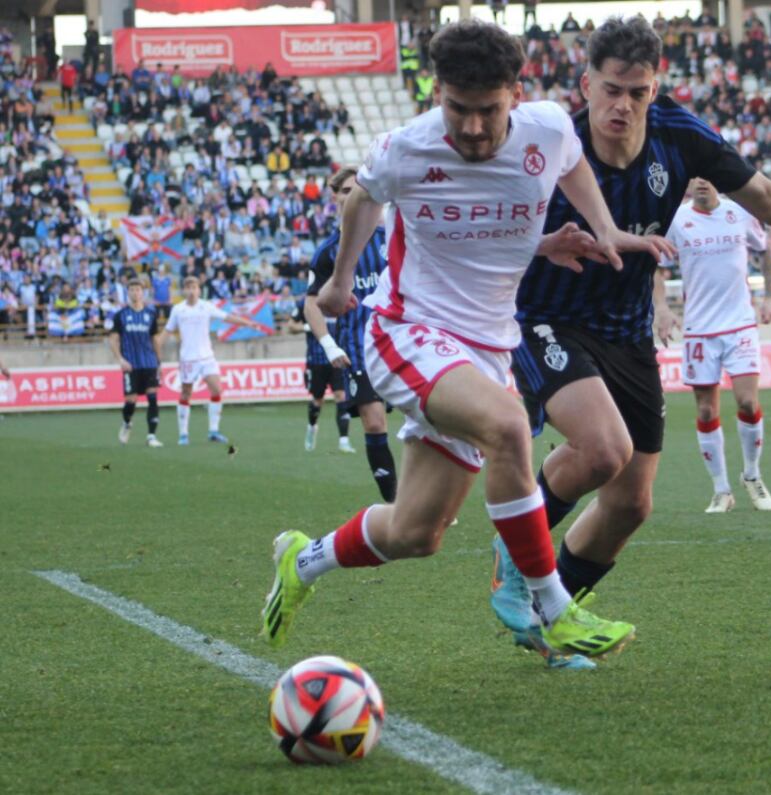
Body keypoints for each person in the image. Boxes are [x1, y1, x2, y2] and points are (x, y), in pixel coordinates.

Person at [260, 19, 671, 662]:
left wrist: (602, 229)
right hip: (408, 331)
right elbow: (363, 202)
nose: (473, 128)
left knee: (415, 531)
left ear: (515, 91)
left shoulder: (548, 131)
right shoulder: (407, 147)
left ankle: (302, 561)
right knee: (510, 424)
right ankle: (553, 606)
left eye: (488, 110)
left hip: (485, 348)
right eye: (458, 109)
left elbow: (566, 172)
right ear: (436, 92)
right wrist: (341, 280)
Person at [491, 16, 771, 665]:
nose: (622, 106)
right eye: (610, 90)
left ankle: (553, 626)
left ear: (655, 90)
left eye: (638, 93)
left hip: (626, 331)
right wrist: (545, 244)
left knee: (631, 502)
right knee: (601, 448)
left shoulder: (681, 138)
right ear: (586, 85)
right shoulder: (548, 143)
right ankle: (515, 551)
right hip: (546, 315)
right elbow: (488, 231)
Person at [663, 178, 771, 513]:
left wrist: (769, 297)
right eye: (694, 177)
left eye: (707, 176)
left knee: (746, 402)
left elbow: (765, 250)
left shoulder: (739, 212)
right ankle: (722, 490)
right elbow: (658, 266)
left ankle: (752, 475)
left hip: (739, 324)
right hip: (699, 328)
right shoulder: (678, 220)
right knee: (706, 410)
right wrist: (662, 308)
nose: (701, 182)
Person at [301, 166, 397, 502]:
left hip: (402, 342)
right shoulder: (328, 251)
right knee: (373, 422)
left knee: (428, 419)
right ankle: (396, 503)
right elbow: (311, 304)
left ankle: (426, 495)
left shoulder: (394, 237)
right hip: (358, 347)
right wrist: (328, 345)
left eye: (358, 189)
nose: (352, 196)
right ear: (335, 198)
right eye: (345, 191)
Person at [156, 276, 259, 445]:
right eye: (188, 287)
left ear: (199, 289)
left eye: (194, 287)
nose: (191, 290)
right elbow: (167, 331)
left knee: (217, 390)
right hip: (188, 359)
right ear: (184, 290)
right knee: (186, 393)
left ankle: (213, 431)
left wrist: (247, 323)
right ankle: (183, 434)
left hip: (207, 357)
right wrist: (157, 345)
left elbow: (227, 317)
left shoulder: (206, 306)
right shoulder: (178, 309)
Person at [289, 300, 355, 454]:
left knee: (341, 396)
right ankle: (312, 427)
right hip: (316, 360)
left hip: (337, 359)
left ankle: (344, 441)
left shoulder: (337, 297)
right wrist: (307, 326)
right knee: (317, 400)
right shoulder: (304, 303)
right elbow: (291, 326)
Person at [109, 278, 164, 448]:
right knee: (131, 401)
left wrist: (159, 361)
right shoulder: (121, 316)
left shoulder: (150, 315)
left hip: (149, 363)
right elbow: (113, 339)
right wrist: (120, 359)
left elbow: (155, 339)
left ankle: (151, 436)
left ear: (143, 292)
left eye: (138, 290)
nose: (135, 292)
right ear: (128, 293)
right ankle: (127, 423)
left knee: (153, 397)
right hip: (131, 365)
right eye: (132, 289)